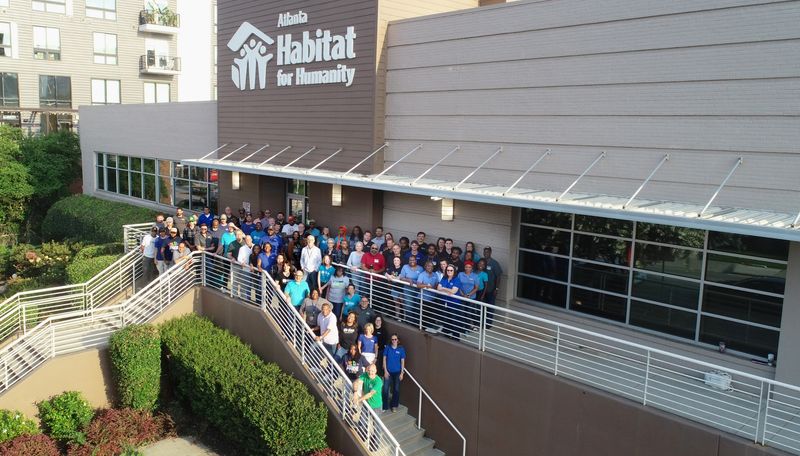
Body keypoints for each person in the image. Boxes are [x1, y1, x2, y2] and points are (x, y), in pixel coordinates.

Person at [437, 264, 464, 339]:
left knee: (455, 320)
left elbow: (453, 291)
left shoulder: (457, 279)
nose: (449, 271)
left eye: (451, 270)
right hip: (445, 302)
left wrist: (444, 288)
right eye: (448, 270)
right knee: (447, 319)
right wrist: (447, 289)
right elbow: (438, 288)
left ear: (454, 271)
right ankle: (447, 335)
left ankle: (456, 337)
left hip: (454, 303)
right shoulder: (444, 278)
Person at [381, 334, 406, 413]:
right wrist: (385, 371)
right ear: (391, 340)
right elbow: (384, 359)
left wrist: (402, 373)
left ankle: (394, 405)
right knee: (385, 389)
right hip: (388, 372)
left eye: (395, 339)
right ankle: (385, 406)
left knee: (396, 389)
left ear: (397, 340)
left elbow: (402, 361)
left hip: (397, 372)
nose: (394, 341)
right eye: (392, 339)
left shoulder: (401, 349)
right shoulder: (387, 348)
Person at [415, 260, 440, 329]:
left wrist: (434, 287)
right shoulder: (422, 274)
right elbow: (418, 285)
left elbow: (437, 285)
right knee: (422, 316)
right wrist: (427, 285)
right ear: (425, 267)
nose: (430, 267)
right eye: (428, 266)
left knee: (430, 316)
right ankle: (421, 328)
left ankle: (428, 328)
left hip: (432, 299)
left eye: (432, 266)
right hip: (423, 299)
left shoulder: (435, 274)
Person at [399, 256, 423, 325]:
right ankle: (410, 322)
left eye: (413, 260)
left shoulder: (420, 268)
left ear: (416, 260)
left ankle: (416, 323)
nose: (412, 261)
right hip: (408, 289)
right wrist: (409, 280)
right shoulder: (405, 267)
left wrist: (415, 282)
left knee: (416, 306)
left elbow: (422, 278)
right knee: (409, 306)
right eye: (410, 260)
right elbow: (401, 277)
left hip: (417, 290)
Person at [482, 246, 503, 329]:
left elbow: (498, 276)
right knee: (482, 307)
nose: (485, 253)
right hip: (482, 290)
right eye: (484, 252)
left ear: (490, 252)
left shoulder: (494, 263)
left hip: (491, 290)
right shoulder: (481, 261)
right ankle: (481, 322)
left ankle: (488, 324)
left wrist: (496, 289)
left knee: (490, 307)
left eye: (487, 252)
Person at [458, 261, 480, 330]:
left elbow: (476, 288)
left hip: (471, 298)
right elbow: (458, 286)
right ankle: (462, 327)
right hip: (461, 296)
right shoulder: (460, 274)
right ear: (464, 267)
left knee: (469, 312)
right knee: (462, 312)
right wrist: (463, 295)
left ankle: (469, 326)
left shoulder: (475, 276)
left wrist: (468, 295)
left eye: (469, 267)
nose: (468, 268)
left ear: (472, 268)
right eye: (466, 267)